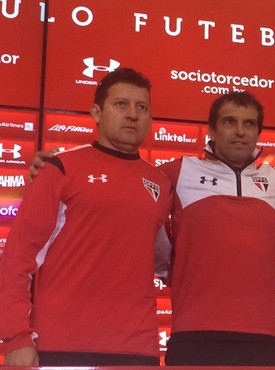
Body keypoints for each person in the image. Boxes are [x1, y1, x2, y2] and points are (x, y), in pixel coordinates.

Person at [0, 68, 172, 366]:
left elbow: (167, 264)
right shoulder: (60, 168)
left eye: (141, 107)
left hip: (138, 349)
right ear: (96, 112)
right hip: (63, 345)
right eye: (121, 104)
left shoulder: (161, 183)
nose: (133, 114)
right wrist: (15, 336)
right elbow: (18, 258)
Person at [159, 91, 275, 366]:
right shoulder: (180, 171)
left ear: (258, 132)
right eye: (229, 122)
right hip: (194, 330)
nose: (240, 132)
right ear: (212, 129)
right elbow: (131, 188)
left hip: (261, 334)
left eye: (249, 124)